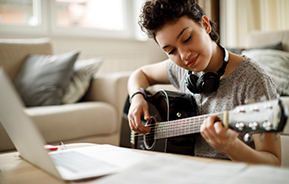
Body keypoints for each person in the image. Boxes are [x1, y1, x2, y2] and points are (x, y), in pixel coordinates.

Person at [127, 0, 281, 166]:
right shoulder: (180, 69)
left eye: (187, 38)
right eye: (171, 51)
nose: (184, 55)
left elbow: (273, 163)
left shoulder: (253, 80)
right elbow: (140, 74)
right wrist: (136, 97)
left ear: (205, 25)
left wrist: (231, 146)